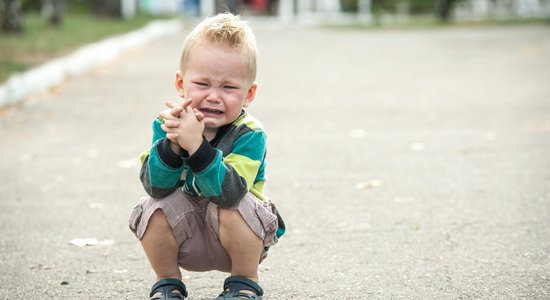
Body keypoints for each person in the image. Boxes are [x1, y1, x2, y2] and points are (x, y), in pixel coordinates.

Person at [128, 13, 285, 300]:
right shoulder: (167, 125)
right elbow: (156, 187)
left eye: (228, 87)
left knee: (233, 204)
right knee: (152, 206)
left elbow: (229, 193)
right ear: (180, 83)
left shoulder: (250, 134)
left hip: (238, 239)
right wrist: (173, 145)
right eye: (202, 84)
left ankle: (244, 284)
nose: (214, 96)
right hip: (186, 234)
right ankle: (168, 284)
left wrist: (197, 147)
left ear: (249, 94)